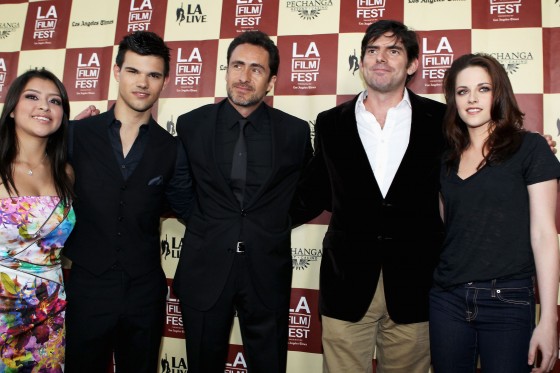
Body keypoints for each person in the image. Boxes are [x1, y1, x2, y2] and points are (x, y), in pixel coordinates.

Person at [290, 19, 445, 373]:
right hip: (346, 282)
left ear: (413, 64)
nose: (381, 59)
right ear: (361, 63)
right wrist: (249, 218)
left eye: (393, 51)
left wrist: (520, 150)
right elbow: (313, 193)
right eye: (372, 51)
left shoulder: (440, 120)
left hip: (416, 282)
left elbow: (471, 177)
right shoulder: (330, 123)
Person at [172, 30, 313, 373]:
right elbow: (178, 188)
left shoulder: (294, 132)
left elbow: (309, 194)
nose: (244, 77)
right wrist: (211, 224)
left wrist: (270, 223)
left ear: (271, 81)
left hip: (266, 270)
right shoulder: (192, 124)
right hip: (204, 269)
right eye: (237, 65)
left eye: (256, 69)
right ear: (225, 70)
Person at [62, 31, 194, 373]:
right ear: (117, 71)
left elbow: (192, 209)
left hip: (144, 291)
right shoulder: (76, 135)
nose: (143, 83)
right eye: (134, 71)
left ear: (165, 81)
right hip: (87, 286)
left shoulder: (172, 148)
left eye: (153, 74)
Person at [429, 53, 560, 373]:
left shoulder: (530, 148)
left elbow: (544, 235)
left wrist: (548, 320)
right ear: (453, 100)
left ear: (498, 93)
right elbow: (447, 228)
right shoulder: (446, 159)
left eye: (483, 89)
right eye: (462, 92)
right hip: (447, 299)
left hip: (508, 300)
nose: (472, 98)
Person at [0, 68, 75, 371]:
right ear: (13, 109)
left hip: (50, 310)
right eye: (32, 97)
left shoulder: (66, 172)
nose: (44, 106)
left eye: (54, 101)